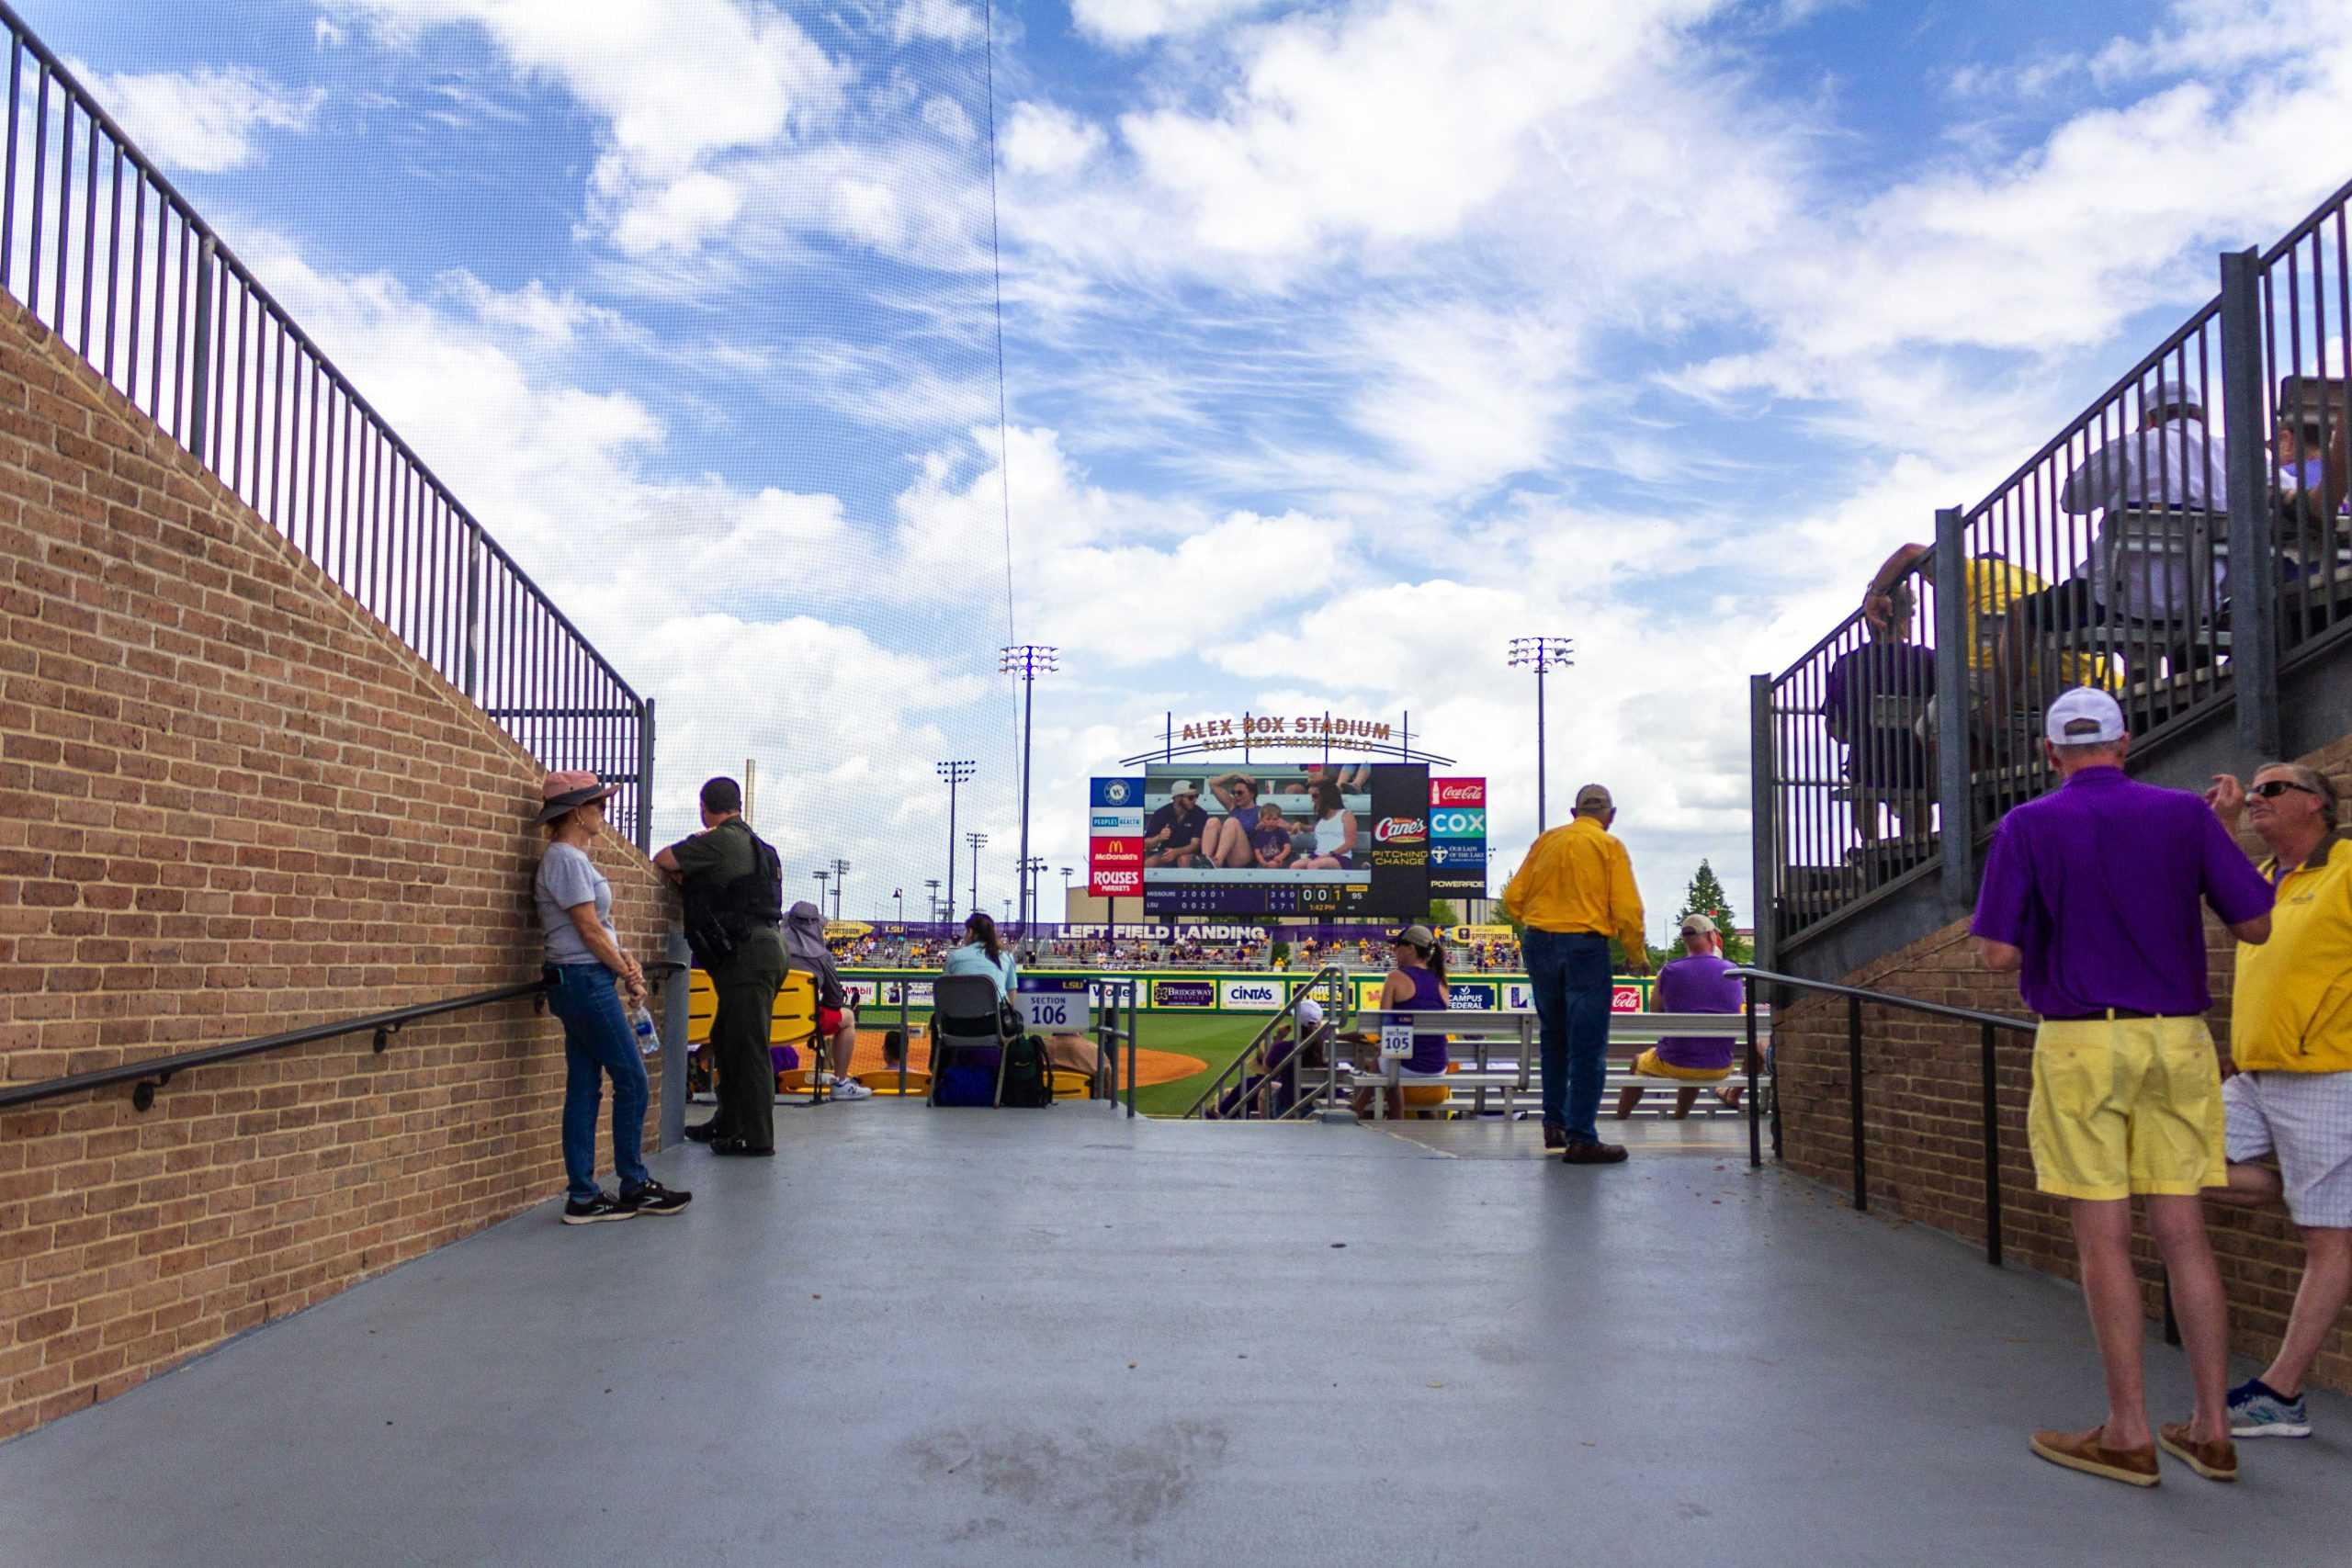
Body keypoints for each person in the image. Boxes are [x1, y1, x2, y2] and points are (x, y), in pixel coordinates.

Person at [1971, 688, 2272, 1487]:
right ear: (2124, 742)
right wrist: (2226, 833)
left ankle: (2129, 1431)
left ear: (2049, 753)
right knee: (2184, 1232)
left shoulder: (2027, 825)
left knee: (2103, 1240)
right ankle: (2212, 1428)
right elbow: (2257, 925)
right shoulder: (2184, 815)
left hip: (2080, 1041)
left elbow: (1999, 956)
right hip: (2177, 1037)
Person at [2200, 762, 2352, 1440]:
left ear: (2317, 805)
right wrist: (2223, 826)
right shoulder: (2264, 879)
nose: (2257, 797)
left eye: (2272, 789)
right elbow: (2212, 889)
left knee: (2328, 1238)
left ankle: (2281, 1391)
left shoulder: (2346, 868)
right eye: (2254, 790)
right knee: (2173, 1158)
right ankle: (2290, 1184)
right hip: (2256, 1075)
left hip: (2328, 1075)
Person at [1996, 369, 2228, 711]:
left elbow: (2072, 501)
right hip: (2205, 602)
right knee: (2190, 648)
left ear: (2149, 419)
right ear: (2200, 415)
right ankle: (2189, 709)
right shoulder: (2236, 453)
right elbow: (2282, 495)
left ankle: (1998, 708)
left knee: (2022, 612)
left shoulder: (2132, 447)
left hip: (2120, 601)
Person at [532, 771, 691, 1224]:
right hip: (583, 980)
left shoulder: (573, 858)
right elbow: (585, 928)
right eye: (598, 805)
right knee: (633, 1078)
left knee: (585, 1085)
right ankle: (633, 1184)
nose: (603, 812)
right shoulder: (564, 858)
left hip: (582, 978)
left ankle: (584, 1195)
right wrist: (624, 970)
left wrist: (625, 963)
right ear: (577, 812)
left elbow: (596, 929)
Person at [1502, 783, 1648, 1163]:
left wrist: (1541, 922)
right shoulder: (1610, 846)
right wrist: (1636, 954)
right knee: (1587, 1045)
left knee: (1553, 1037)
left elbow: (1513, 898)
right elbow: (1628, 909)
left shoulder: (1547, 841)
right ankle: (1582, 1136)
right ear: (1610, 816)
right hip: (1585, 946)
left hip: (1539, 942)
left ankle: (1556, 1124)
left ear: (1574, 812)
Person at [656, 777, 786, 1156]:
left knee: (747, 1046)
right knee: (728, 1036)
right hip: (765, 947)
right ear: (739, 805)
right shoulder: (759, 846)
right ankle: (728, 1121)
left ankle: (757, 1137)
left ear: (704, 807)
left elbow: (664, 859)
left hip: (748, 955)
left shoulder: (719, 840)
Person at [1822, 582, 1936, 848]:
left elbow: (1835, 727)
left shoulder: (1847, 664)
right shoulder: (1930, 661)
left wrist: (1854, 733)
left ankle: (1871, 844)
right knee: (1919, 791)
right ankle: (1918, 844)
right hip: (1917, 764)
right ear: (1908, 617)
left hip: (1869, 764)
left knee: (1861, 779)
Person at [1616, 914, 1746, 1119]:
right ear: (1712, 937)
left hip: (1676, 1063)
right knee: (1694, 1051)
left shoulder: (1669, 971)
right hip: (1720, 1065)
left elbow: (1655, 1013)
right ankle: (1679, 1116)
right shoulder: (1733, 970)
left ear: (1684, 940)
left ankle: (1621, 1117)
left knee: (1638, 1061)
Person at [1352, 928, 1453, 1119]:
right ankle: (1366, 1109)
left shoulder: (1396, 977)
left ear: (1411, 949)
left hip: (1408, 1067)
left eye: (1397, 946)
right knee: (1390, 1054)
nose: (1394, 950)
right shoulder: (1441, 982)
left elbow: (1384, 1026)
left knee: (1386, 1054)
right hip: (1438, 1068)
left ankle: (1370, 1110)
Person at [782, 900, 869, 1100]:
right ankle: (840, 1082)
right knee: (847, 1018)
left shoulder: (771, 947)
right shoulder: (822, 955)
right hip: (807, 1022)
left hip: (765, 1019)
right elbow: (834, 1001)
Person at [1144, 780, 1211, 867]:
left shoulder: (1200, 814)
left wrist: (1176, 852)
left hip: (1189, 853)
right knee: (1149, 863)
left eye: (1196, 796)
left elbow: (1195, 845)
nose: (1195, 800)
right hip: (1166, 852)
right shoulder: (1161, 813)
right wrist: (1159, 838)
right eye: (1191, 797)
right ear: (1177, 797)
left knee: (1183, 860)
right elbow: (1146, 844)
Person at [1204, 771, 1263, 867]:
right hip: (1229, 855)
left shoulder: (1260, 812)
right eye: (1233, 792)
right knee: (1213, 821)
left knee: (1232, 822)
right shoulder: (1233, 806)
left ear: (1252, 794)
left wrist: (1295, 825)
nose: (1236, 795)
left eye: (1240, 793)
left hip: (1246, 857)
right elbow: (1213, 783)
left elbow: (1279, 823)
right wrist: (1234, 774)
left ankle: (1217, 861)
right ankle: (1205, 859)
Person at [1298, 777, 1358, 870]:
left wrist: (1330, 854)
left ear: (1326, 796)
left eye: (1315, 796)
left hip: (1340, 856)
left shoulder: (1346, 815)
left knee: (1313, 865)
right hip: (1319, 854)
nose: (1313, 800)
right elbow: (1314, 828)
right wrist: (1299, 826)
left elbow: (1350, 843)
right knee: (1296, 866)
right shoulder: (1321, 817)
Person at [1250, 801, 1295, 870]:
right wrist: (1262, 861)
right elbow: (1257, 851)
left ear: (1279, 820)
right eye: (1268, 819)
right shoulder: (1259, 834)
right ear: (1262, 820)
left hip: (1281, 860)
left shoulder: (1281, 832)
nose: (1271, 821)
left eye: (1275, 819)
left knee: (1277, 865)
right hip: (1265, 861)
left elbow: (1287, 848)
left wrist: (1280, 857)